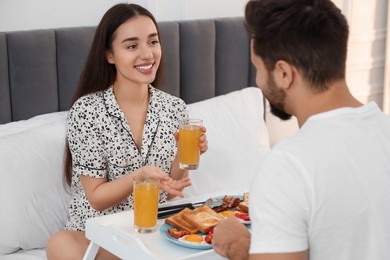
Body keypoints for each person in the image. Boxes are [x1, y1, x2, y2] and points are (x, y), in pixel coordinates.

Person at [212, 0, 390, 259]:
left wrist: (240, 249)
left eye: (258, 68)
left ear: (284, 73)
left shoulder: (287, 167)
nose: (258, 81)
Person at [46, 3, 208, 259]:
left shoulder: (175, 108)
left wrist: (186, 156)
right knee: (60, 244)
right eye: (132, 46)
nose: (147, 54)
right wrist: (140, 176)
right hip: (98, 235)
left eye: (153, 42)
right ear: (109, 55)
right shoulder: (87, 111)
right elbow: (97, 198)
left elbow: (171, 184)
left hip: (152, 230)